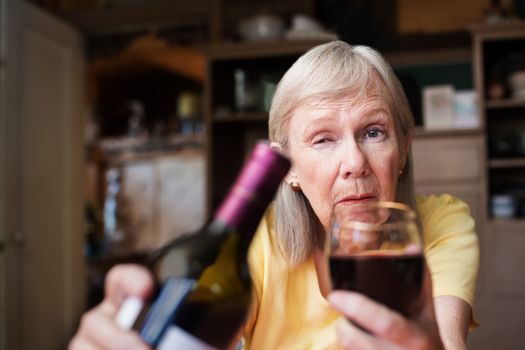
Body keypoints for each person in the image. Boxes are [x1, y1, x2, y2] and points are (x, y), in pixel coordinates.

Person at [70, 41, 479, 350]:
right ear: (290, 171)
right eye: (323, 139)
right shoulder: (260, 242)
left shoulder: (440, 223)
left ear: (403, 148)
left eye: (374, 132)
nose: (355, 162)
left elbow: (445, 336)